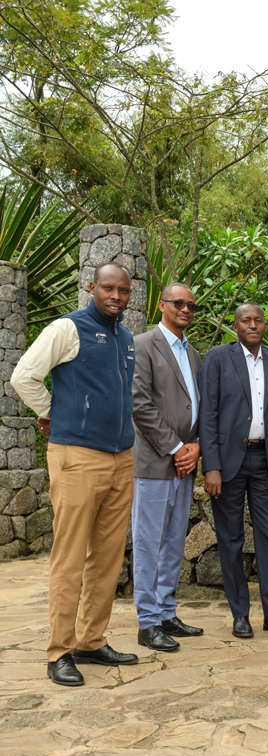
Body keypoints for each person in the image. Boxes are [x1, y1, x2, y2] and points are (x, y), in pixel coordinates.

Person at [13, 264, 139, 686]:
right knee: (69, 558)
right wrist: (51, 412)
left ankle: (90, 639)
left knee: (106, 557)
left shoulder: (124, 337)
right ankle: (59, 651)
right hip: (77, 457)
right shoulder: (67, 329)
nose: (116, 296)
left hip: (122, 458)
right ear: (91, 287)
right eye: (108, 287)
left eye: (122, 289)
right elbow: (23, 376)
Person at [200, 303, 268, 639]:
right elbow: (207, 414)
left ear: (265, 326)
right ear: (235, 325)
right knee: (230, 539)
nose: (252, 325)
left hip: (267, 461)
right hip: (227, 463)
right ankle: (240, 614)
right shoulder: (216, 358)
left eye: (257, 320)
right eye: (245, 320)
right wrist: (210, 466)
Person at [129, 283, 205, 652]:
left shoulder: (193, 353)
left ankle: (165, 611)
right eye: (179, 303)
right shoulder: (142, 345)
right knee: (148, 544)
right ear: (162, 305)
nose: (186, 310)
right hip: (154, 463)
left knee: (174, 542)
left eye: (191, 305)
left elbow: (200, 408)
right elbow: (140, 404)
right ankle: (147, 622)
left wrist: (195, 447)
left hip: (184, 465)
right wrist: (176, 448)